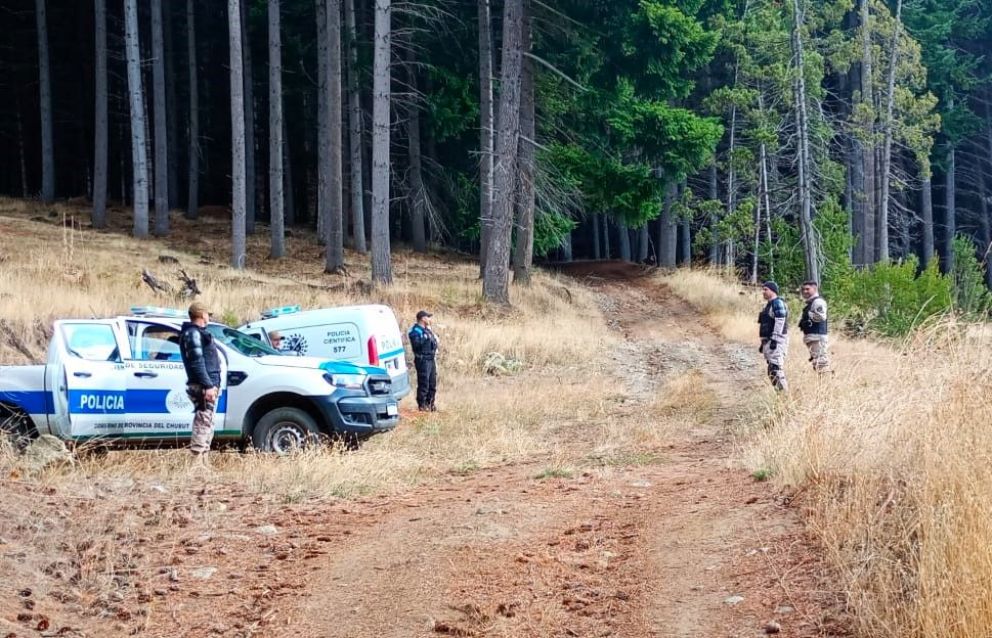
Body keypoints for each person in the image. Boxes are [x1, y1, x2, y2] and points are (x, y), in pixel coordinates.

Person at [179, 302, 222, 459]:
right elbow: (197, 362)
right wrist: (208, 385)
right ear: (202, 315)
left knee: (207, 423)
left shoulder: (197, 333)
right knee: (203, 422)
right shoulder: (193, 334)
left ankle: (203, 462)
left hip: (207, 384)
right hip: (204, 386)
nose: (208, 317)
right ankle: (197, 462)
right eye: (208, 315)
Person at [757, 281, 789, 392]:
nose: (763, 292)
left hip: (777, 341)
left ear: (773, 291)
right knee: (771, 370)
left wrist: (775, 339)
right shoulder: (769, 305)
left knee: (776, 369)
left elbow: (780, 321)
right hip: (769, 341)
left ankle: (784, 396)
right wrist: (763, 343)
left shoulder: (777, 303)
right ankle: (780, 396)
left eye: (766, 289)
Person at [408, 310, 439, 412]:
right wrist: (425, 338)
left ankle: (430, 403)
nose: (430, 319)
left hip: (431, 359)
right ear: (423, 318)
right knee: (424, 383)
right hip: (422, 360)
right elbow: (417, 345)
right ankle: (422, 405)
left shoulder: (427, 330)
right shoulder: (415, 331)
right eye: (428, 317)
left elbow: (434, 343)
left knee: (432, 383)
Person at [798, 280, 830, 372]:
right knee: (817, 362)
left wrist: (809, 316)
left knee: (821, 362)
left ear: (815, 288)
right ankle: (821, 380)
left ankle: (825, 380)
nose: (805, 291)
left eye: (808, 289)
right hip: (813, 336)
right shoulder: (811, 303)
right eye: (803, 289)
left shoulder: (818, 302)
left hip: (817, 336)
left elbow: (821, 317)